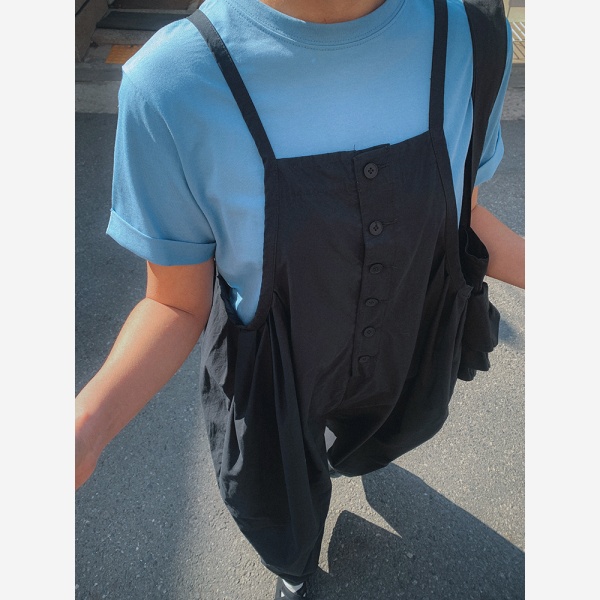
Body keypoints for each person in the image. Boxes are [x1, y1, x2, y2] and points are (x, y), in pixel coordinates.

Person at [75, 0, 525, 597]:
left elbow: (461, 217)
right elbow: (176, 303)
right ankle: (295, 569)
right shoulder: (174, 82)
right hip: (270, 381)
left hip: (407, 348)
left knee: (383, 437)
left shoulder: (471, 33)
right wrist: (86, 426)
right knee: (281, 510)